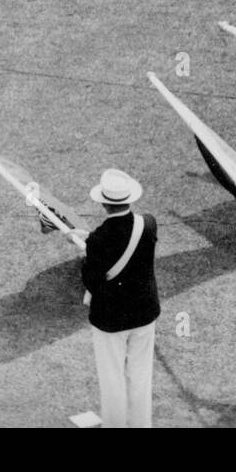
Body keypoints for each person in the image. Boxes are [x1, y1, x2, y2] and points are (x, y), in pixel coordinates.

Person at [82, 168, 159, 428]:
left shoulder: (97, 238)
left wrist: (88, 252)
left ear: (104, 203)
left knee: (112, 377)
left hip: (110, 318)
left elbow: (92, 280)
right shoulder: (148, 223)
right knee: (141, 375)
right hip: (145, 312)